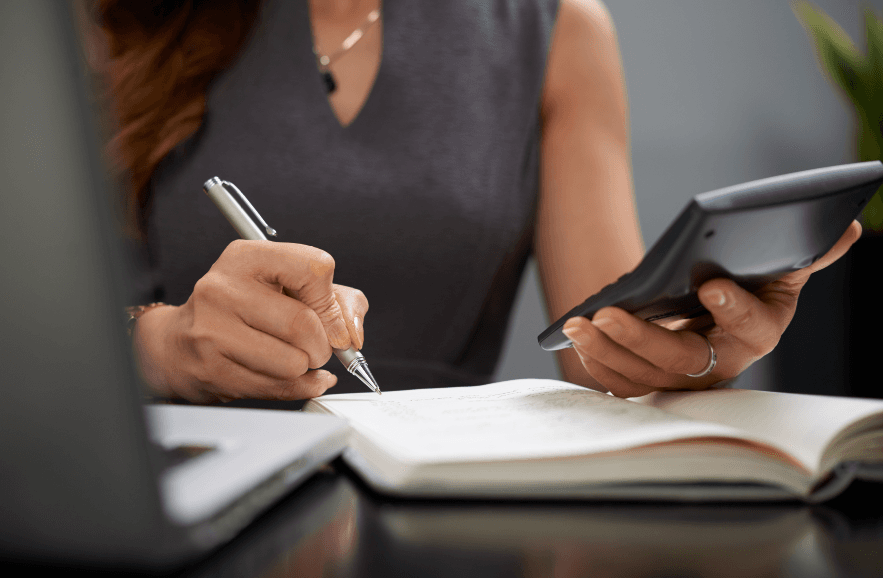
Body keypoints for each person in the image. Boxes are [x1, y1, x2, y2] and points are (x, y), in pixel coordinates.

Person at [88, 0, 860, 404]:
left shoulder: (556, 27)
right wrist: (162, 346)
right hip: (176, 483)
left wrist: (704, 343)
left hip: (436, 494)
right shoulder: (103, 24)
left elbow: (604, 346)